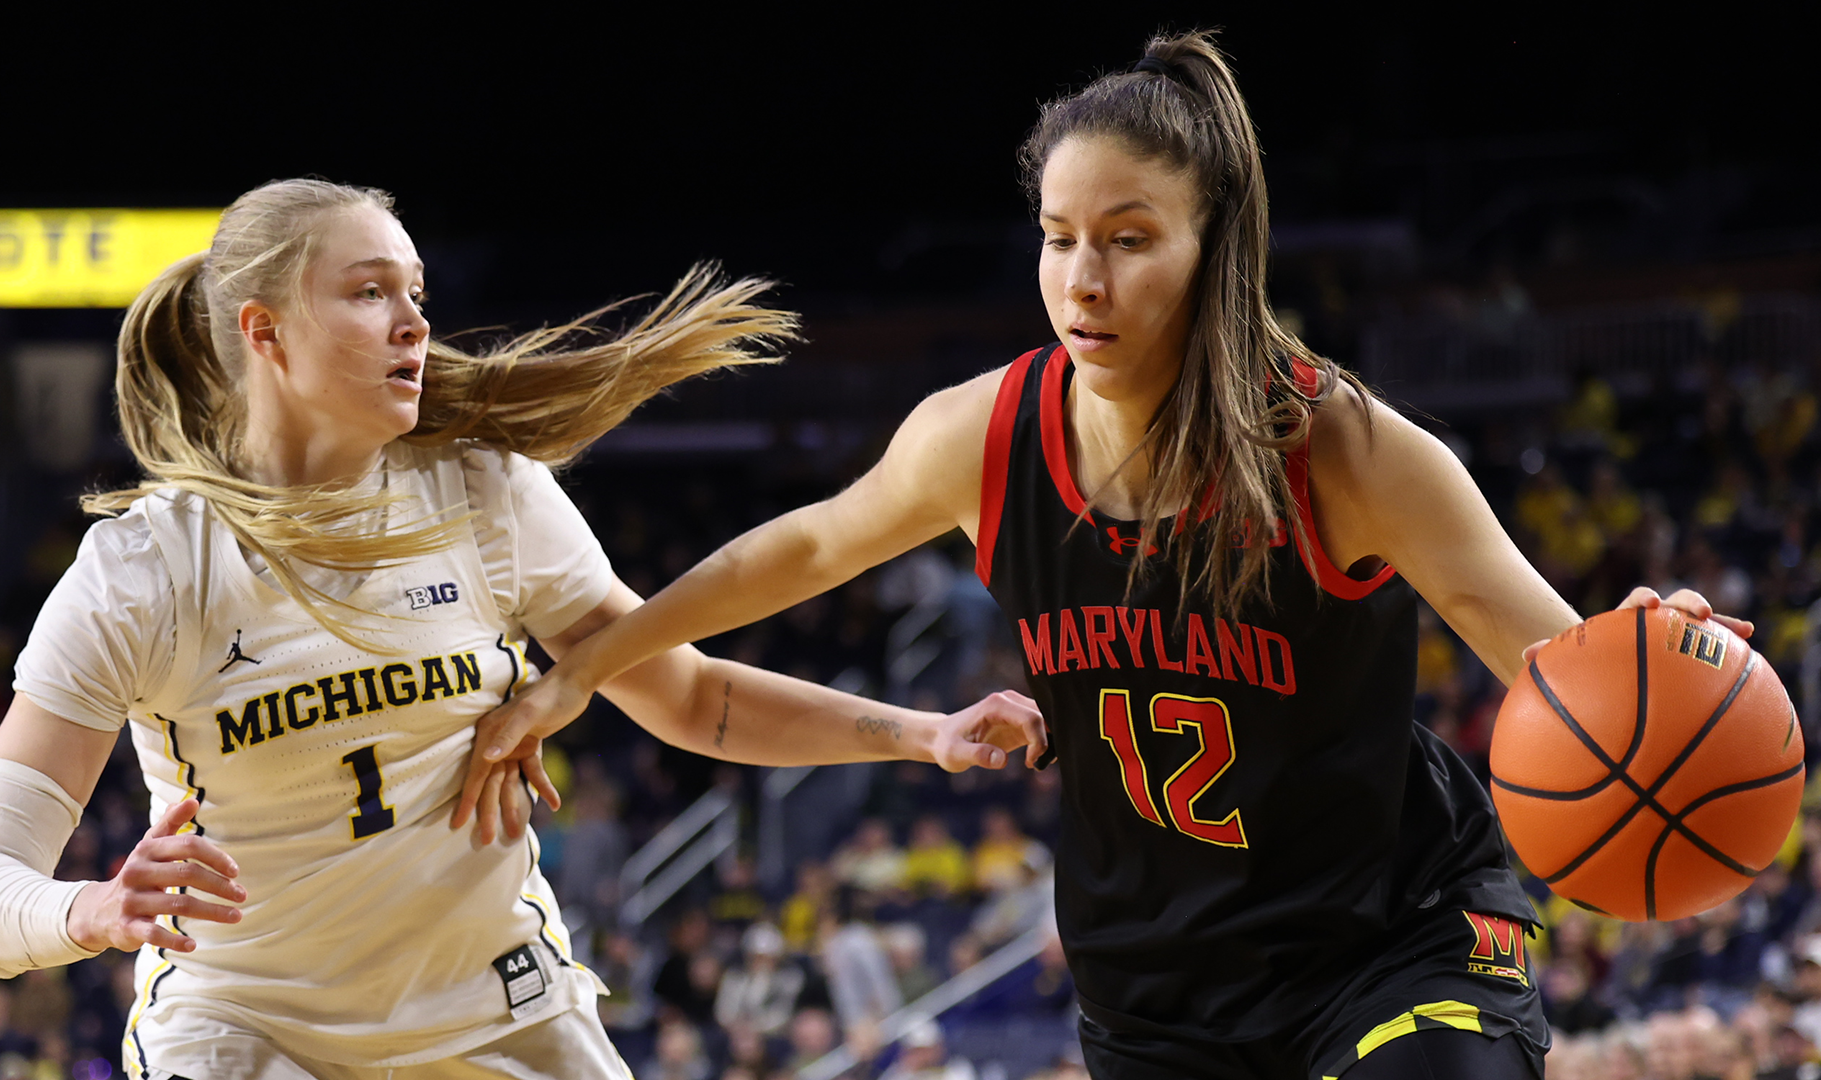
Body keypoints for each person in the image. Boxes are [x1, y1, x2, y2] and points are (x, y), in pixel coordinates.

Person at [461, 33, 1756, 1080]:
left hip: (1389, 942)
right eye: (1059, 235)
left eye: (1130, 240)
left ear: (1213, 253)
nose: (1084, 278)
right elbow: (794, 550)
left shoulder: (1346, 449)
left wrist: (1633, 663)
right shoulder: (982, 437)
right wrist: (589, 668)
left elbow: (1552, 660)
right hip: (1155, 991)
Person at [0, 179, 1041, 1080]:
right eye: (367, 293)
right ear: (263, 331)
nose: (414, 322)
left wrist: (922, 734)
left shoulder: (483, 492)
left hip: (496, 1008)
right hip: (250, 1031)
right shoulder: (150, 564)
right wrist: (94, 909)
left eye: (415, 291)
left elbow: (693, 699)